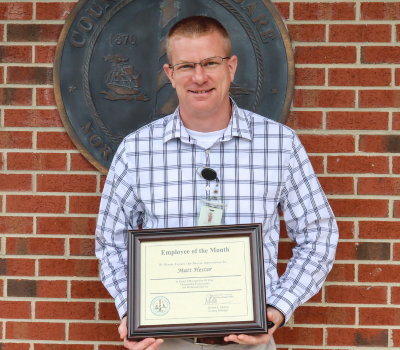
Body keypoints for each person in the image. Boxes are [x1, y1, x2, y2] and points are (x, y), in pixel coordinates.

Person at [95, 16, 339, 350]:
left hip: (248, 342)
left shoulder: (279, 145)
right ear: (170, 74)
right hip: (166, 341)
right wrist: (131, 310)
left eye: (210, 62)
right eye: (185, 66)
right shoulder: (137, 150)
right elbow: (111, 241)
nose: (199, 77)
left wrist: (277, 308)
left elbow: (319, 234)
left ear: (231, 66)